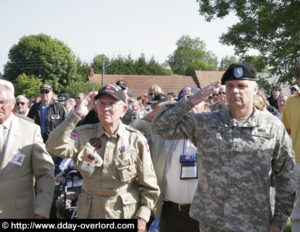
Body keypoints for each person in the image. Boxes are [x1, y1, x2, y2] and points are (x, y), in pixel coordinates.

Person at [152, 63, 295, 232]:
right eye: (230, 86)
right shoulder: (205, 122)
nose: (235, 91)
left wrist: (279, 221)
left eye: (242, 86)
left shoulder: (273, 127)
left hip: (254, 222)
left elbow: (286, 177)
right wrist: (191, 101)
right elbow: (160, 127)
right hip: (213, 223)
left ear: (255, 89)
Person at [46, 84, 159, 231]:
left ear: (124, 110)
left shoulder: (136, 140)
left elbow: (150, 186)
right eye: (102, 103)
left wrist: (143, 216)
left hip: (125, 213)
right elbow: (53, 146)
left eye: (112, 104)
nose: (106, 108)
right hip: (91, 212)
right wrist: (76, 114)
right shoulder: (83, 135)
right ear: (96, 107)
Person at [132, 88, 208, 232]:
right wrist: (151, 115)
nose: (189, 107)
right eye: (185, 103)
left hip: (202, 212)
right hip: (169, 211)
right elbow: (131, 133)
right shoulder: (163, 135)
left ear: (205, 106)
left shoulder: (212, 135)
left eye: (194, 102)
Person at [0, 80, 55, 218]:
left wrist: (41, 211)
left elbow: (45, 174)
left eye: (2, 102)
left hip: (18, 213)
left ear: (12, 103)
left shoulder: (30, 131)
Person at [282, 65, 300, 232]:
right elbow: (286, 130)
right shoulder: (290, 102)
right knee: (298, 211)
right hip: (298, 163)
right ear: (297, 79)